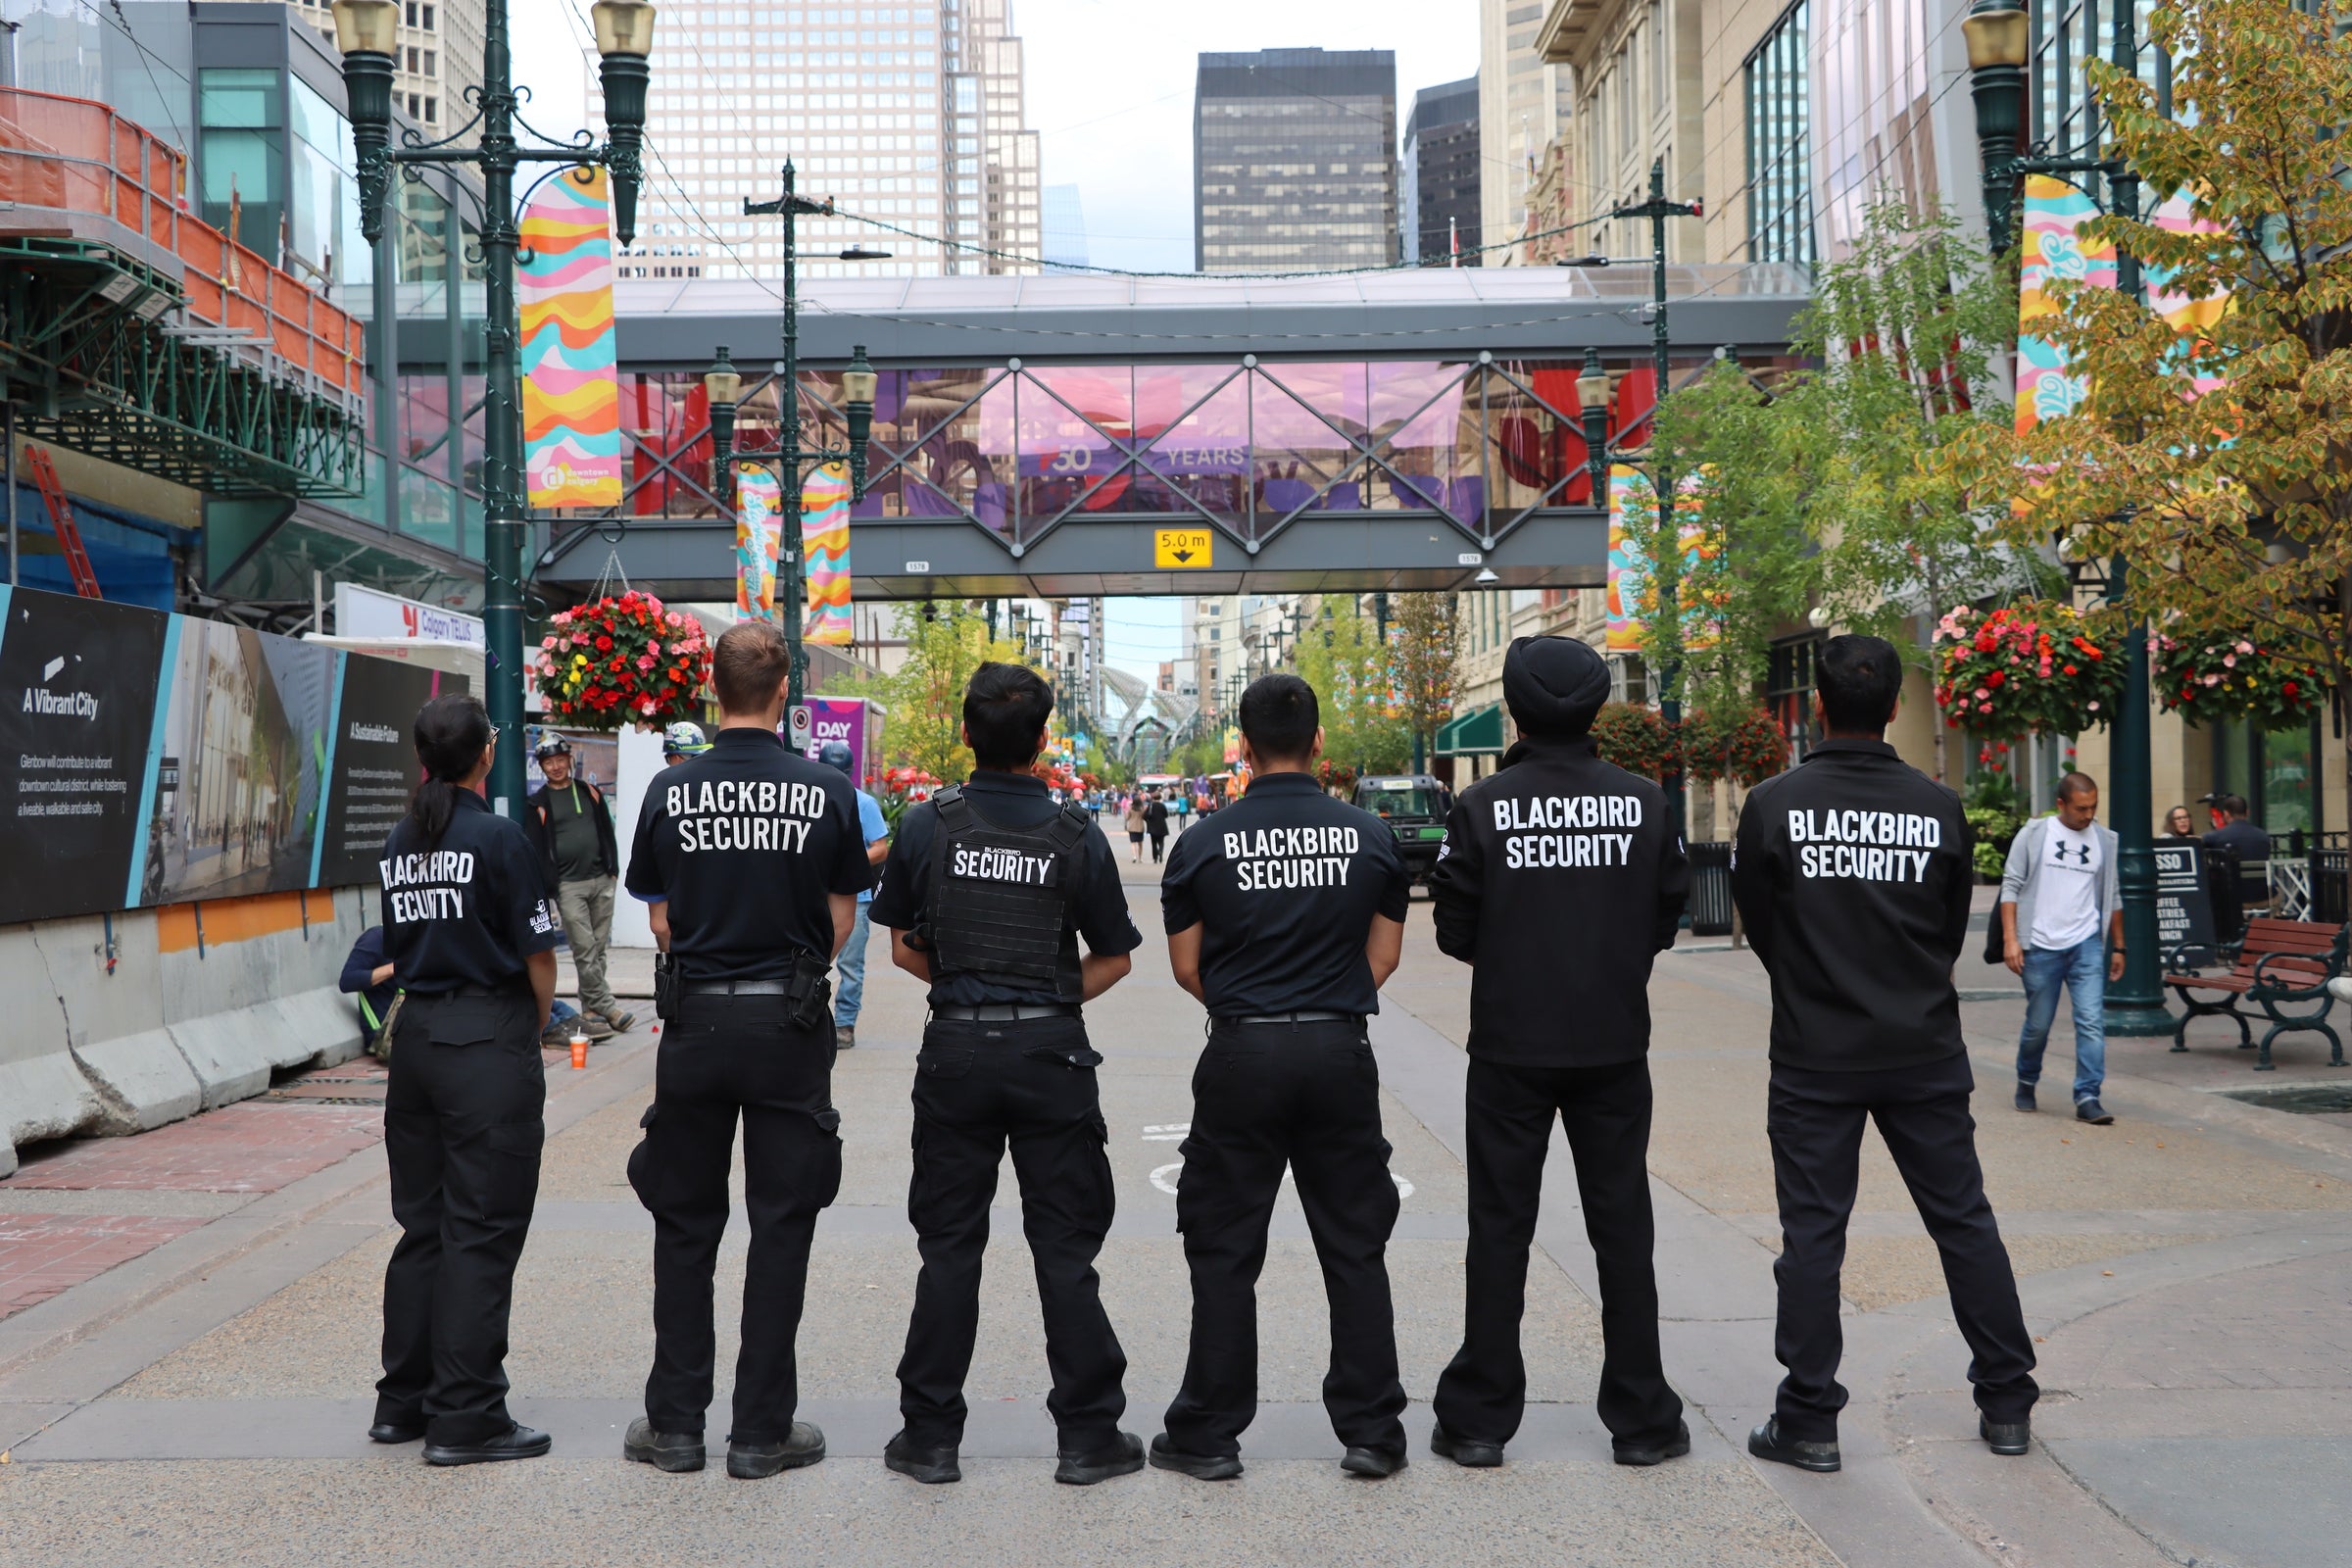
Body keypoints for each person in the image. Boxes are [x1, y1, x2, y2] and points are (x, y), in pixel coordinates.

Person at [1733, 634, 2037, 1474]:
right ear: (1898, 707)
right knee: (1963, 1221)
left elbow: (1762, 926)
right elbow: (1944, 929)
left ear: (1818, 706)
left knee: (1813, 1237)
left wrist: (1813, 984)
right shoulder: (1937, 807)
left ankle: (1809, 1419)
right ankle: (2007, 1399)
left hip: (1814, 1053)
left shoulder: (1774, 804)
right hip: (1922, 1048)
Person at [870, 662, 1145, 1489]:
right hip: (1050, 1055)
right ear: (1042, 742)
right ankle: (1090, 1439)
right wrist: (1049, 998)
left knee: (949, 1246)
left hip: (955, 1050)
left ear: (965, 733)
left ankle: (929, 1439)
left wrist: (967, 992)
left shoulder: (928, 825)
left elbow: (901, 946)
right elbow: (1118, 958)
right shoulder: (1074, 832)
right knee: (1065, 1248)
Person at [1425, 635, 1692, 1470]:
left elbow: (1455, 928)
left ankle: (1479, 1418)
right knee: (1623, 1226)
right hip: (1614, 1040)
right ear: (1596, 708)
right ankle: (1643, 1416)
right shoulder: (1645, 803)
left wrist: (1518, 951)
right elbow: (1665, 919)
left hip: (1511, 1042)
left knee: (1500, 1226)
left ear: (1514, 709)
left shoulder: (1481, 806)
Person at [620, 620, 874, 1480]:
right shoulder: (828, 791)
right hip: (790, 1026)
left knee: (684, 1224)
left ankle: (676, 1424)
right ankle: (763, 1431)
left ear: (713, 690)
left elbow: (657, 919)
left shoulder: (670, 791)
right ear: (783, 693)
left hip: (694, 1027)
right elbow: (843, 921)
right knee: (782, 1225)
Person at [1152, 674, 1412, 1482]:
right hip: (1339, 1050)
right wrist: (1326, 1002)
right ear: (1320, 742)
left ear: (1242, 746)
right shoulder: (1371, 837)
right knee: (1354, 1242)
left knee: (1225, 1247)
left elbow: (1187, 967)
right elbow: (1385, 958)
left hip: (1242, 1050)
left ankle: (1210, 1432)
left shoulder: (1200, 843)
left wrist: (1248, 1002)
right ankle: (1372, 1431)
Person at [371, 693, 562, 1466]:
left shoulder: (397, 839)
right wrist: (536, 1023)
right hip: (486, 1035)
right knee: (482, 1228)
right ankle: (468, 1413)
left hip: (417, 1038)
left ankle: (403, 1401)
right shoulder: (499, 838)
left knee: (424, 1226)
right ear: (485, 754)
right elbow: (538, 956)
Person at [2000, 773, 2125, 1124]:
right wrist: (2012, 940)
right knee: (2038, 1024)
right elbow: (2011, 886)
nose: (2088, 815)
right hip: (2040, 944)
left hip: (2085, 943)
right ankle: (2027, 1079)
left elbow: (2112, 894)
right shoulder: (2035, 834)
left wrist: (2120, 946)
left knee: (2091, 1021)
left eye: (2094, 807)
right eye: (2081, 808)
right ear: (2061, 805)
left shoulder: (2104, 840)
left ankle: (2088, 1096)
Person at [527, 735, 634, 1036]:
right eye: (549, 763)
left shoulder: (589, 792)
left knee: (598, 949)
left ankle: (590, 1008)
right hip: (568, 885)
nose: (557, 767)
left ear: (569, 759)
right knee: (584, 948)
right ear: (543, 767)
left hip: (601, 879)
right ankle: (608, 1006)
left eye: (561, 760)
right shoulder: (536, 804)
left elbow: (606, 830)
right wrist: (549, 886)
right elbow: (535, 848)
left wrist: (612, 869)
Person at [819, 738, 892, 1051]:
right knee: (812, 959)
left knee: (850, 966)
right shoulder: (809, 800)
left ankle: (845, 1024)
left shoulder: (864, 804)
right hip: (815, 896)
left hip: (857, 899)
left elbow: (881, 847)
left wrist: (846, 864)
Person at [2203, 794, 2272, 911]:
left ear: (2226, 814)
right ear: (2247, 812)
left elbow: (2197, 842)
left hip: (2232, 899)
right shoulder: (2263, 835)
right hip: (2263, 896)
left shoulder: (2217, 836)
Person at [339, 925, 398, 1055]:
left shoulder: (422, 939)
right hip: (384, 1032)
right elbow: (347, 980)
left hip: (415, 1025)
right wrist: (393, 968)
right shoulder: (376, 938)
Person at [1145, 790, 1170, 864]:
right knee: (1161, 842)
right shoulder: (1162, 806)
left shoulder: (1151, 806)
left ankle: (1155, 857)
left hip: (1153, 827)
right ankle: (1160, 852)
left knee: (1154, 843)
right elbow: (1166, 815)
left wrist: (1148, 821)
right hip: (1162, 826)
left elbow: (1145, 815)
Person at [1124, 796, 1148, 864]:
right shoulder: (1142, 809)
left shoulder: (1131, 809)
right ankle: (1140, 858)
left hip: (1132, 827)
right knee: (1140, 844)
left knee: (1133, 843)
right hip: (1140, 827)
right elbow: (1144, 817)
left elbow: (1127, 818)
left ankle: (1134, 856)